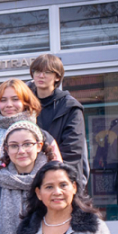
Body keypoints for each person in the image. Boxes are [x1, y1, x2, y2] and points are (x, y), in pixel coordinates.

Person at [0, 79, 60, 192]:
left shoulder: (43, 137)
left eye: (15, 99)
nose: (9, 105)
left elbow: (58, 173)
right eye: (3, 100)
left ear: (26, 102)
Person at [28, 54, 90, 193]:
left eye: (47, 72)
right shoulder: (25, 103)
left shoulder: (70, 106)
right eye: (37, 71)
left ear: (57, 77)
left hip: (61, 179)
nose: (41, 75)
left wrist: (52, 176)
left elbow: (72, 151)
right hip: (29, 178)